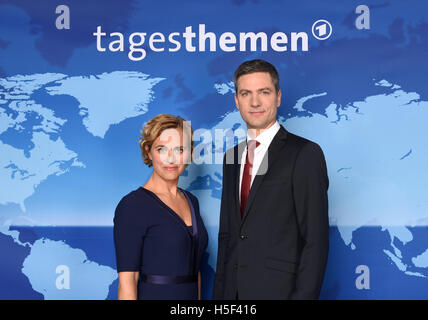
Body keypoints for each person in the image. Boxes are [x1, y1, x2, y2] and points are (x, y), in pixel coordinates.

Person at [212, 59, 329, 300]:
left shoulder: (304, 154)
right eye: (246, 93)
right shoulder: (231, 158)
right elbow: (228, 238)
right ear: (237, 100)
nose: (255, 102)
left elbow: (315, 241)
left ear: (277, 97)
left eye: (264, 92)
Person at [113, 114, 208, 300]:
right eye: (162, 149)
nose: (171, 159)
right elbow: (127, 282)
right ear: (148, 151)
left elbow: (195, 273)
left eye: (179, 149)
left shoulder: (191, 201)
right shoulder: (132, 205)